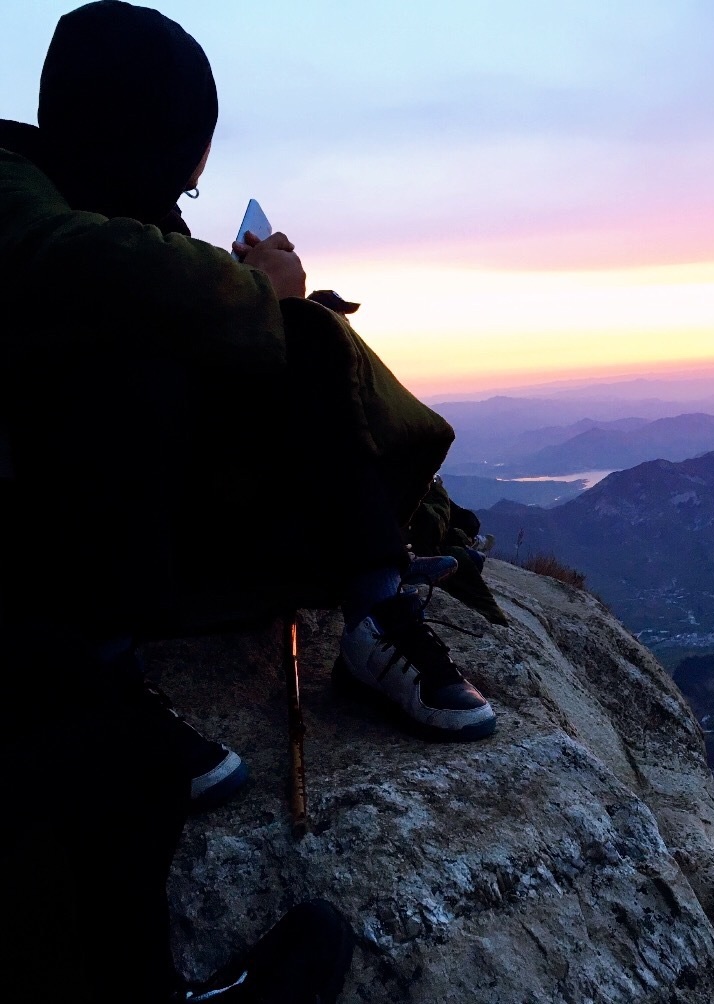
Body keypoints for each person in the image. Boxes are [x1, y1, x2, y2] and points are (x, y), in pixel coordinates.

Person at [0, 1, 493, 998]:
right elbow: (71, 268)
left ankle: (374, 613)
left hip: (159, 529)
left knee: (305, 336)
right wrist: (242, 290)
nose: (191, 177)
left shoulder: (127, 214)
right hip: (54, 540)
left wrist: (272, 303)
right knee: (134, 362)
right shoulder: (15, 185)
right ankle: (102, 683)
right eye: (187, 150)